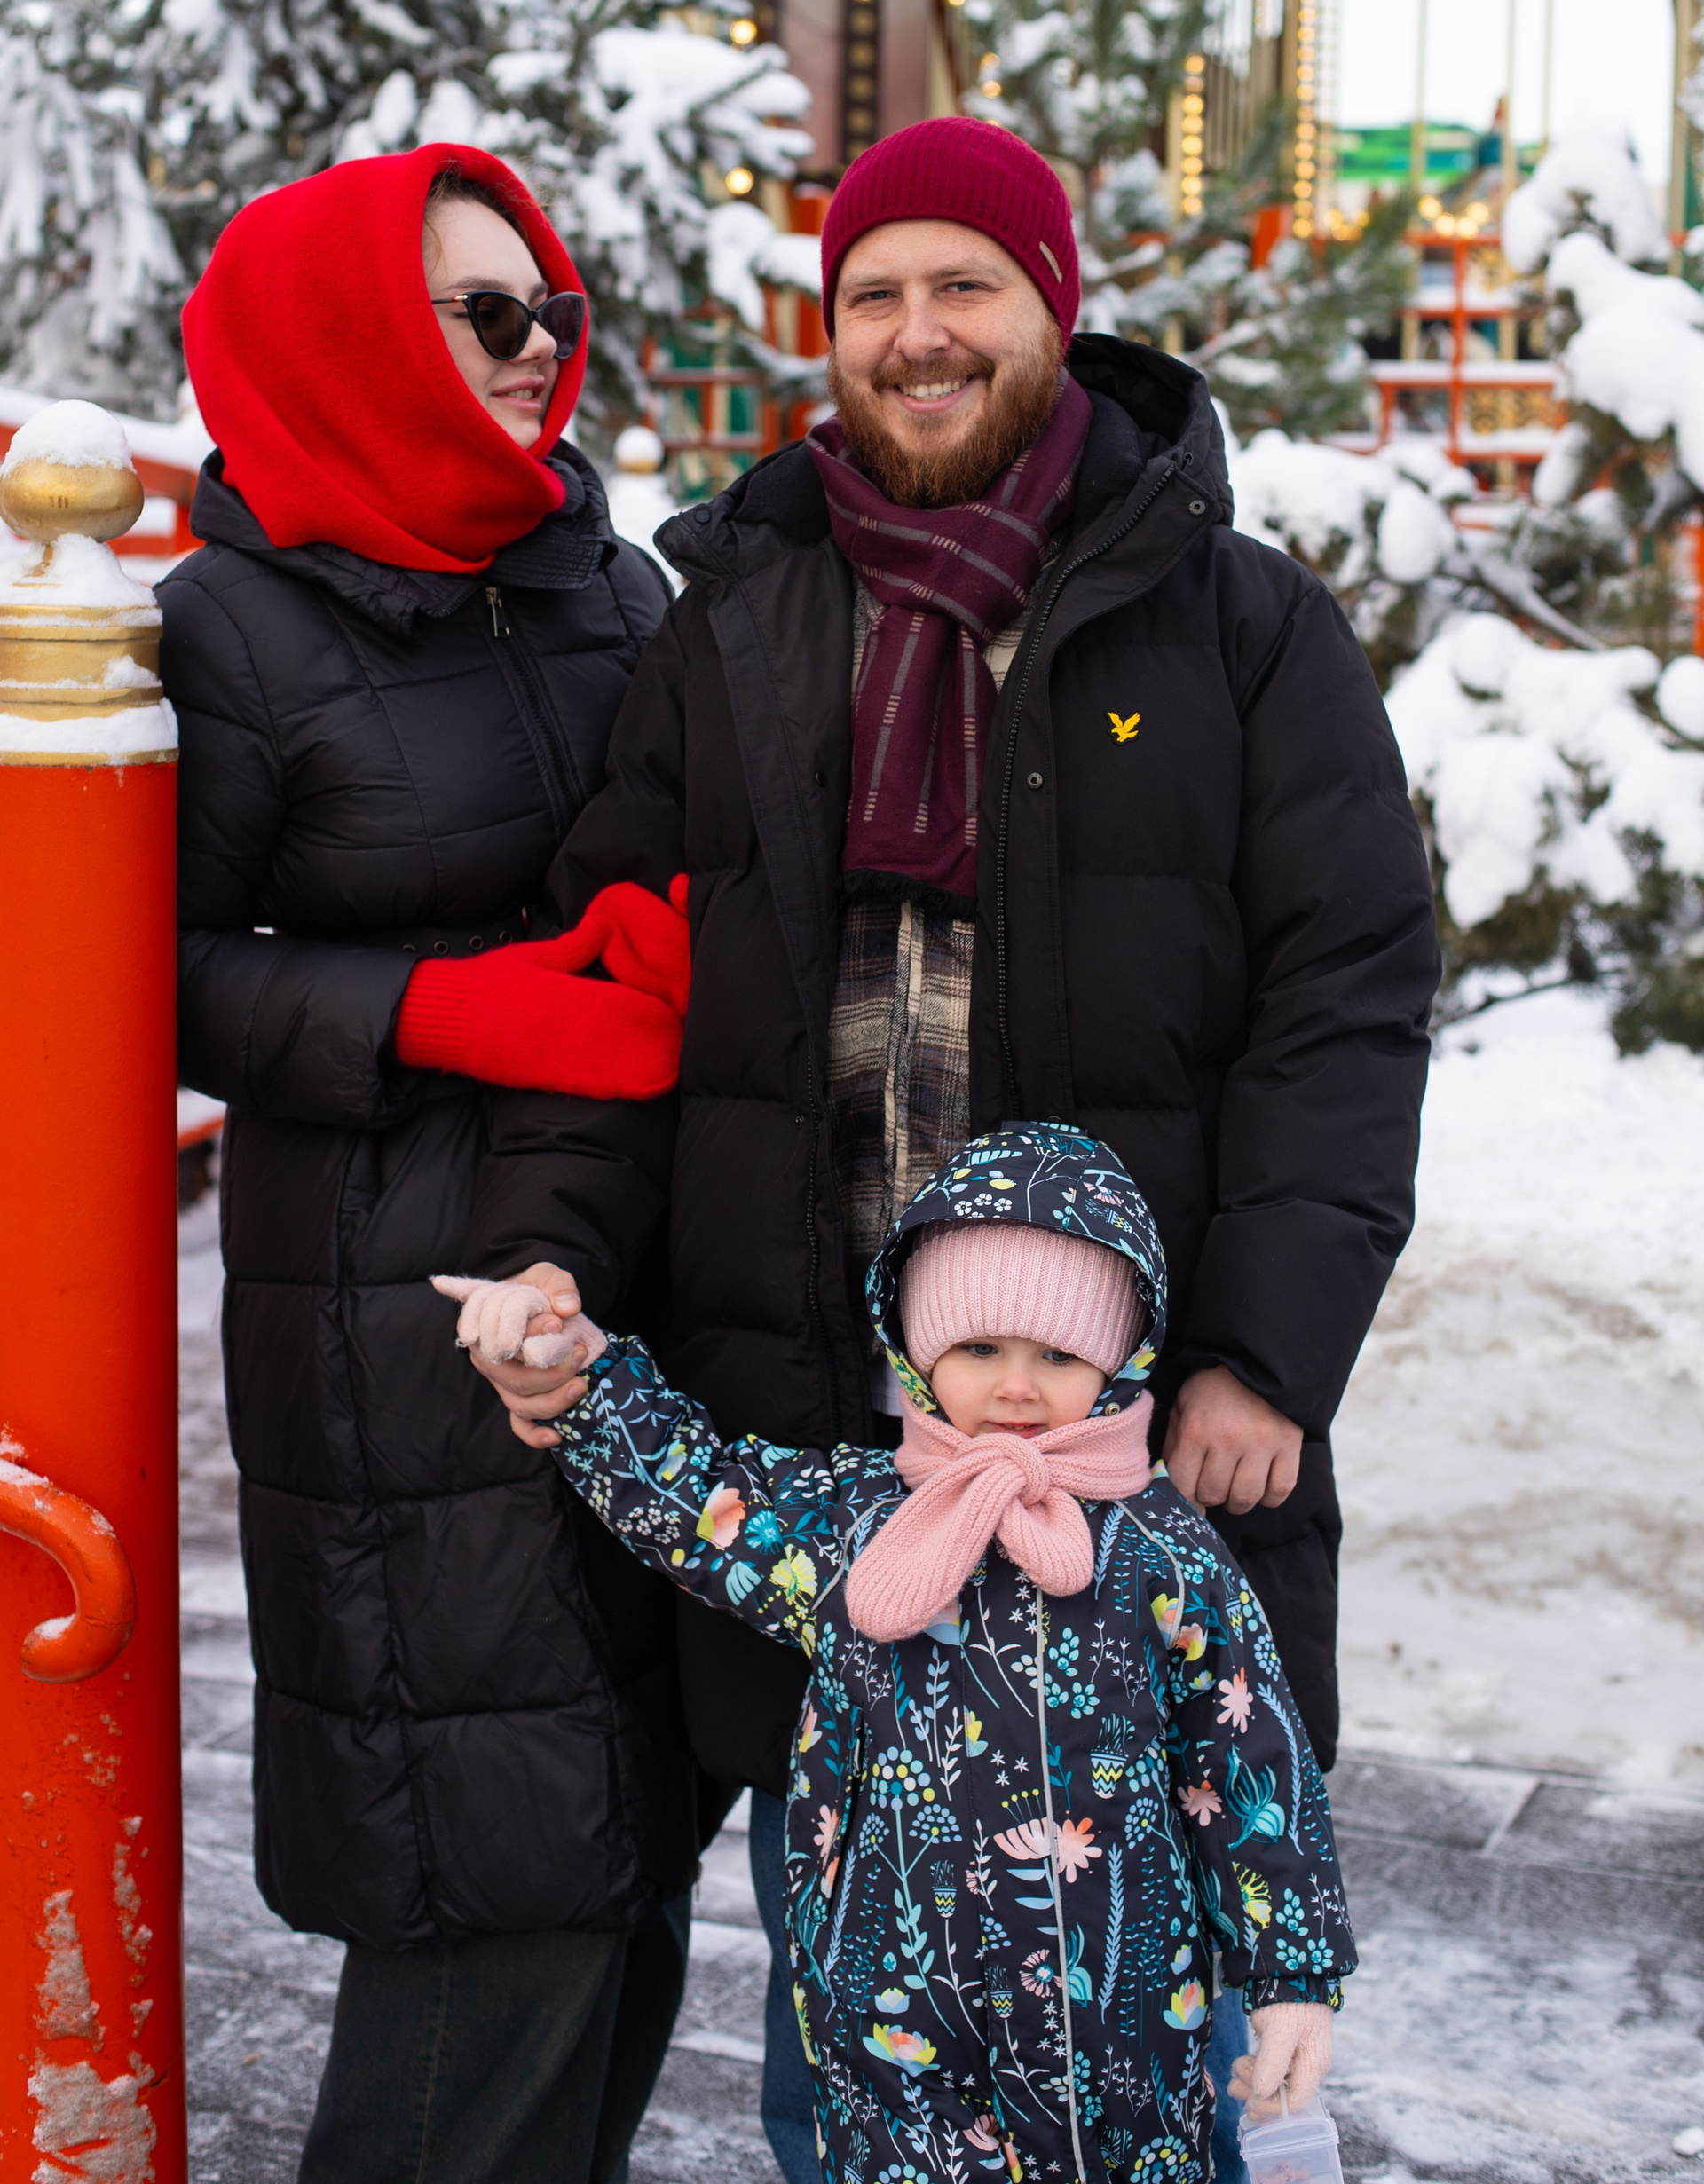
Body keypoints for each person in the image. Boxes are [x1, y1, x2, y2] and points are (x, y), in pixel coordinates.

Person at [454, 114, 1439, 2182]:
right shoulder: (733, 622)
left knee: (1144, 2034)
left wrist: (1264, 1352)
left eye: (963, 284)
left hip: (1119, 1439)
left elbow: (1342, 1004)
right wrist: (552, 1250)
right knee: (851, 2024)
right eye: (872, 293)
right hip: (827, 1440)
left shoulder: (1238, 626)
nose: (916, 331)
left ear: (1051, 310)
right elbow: (616, 976)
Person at [160, 143, 703, 2184]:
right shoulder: (234, 626)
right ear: (354, 337)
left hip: (629, 1258)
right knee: (496, 1868)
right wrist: (437, 1009)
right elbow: (142, 977)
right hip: (393, 1312)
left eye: (550, 307)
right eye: (486, 313)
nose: (538, 349)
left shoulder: (600, 572)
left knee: (635, 1842)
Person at [441, 1124, 1357, 2182]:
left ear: (1118, 1360)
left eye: (1058, 1356)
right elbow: (702, 1503)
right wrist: (585, 1371)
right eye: (980, 1350)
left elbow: (1249, 1763)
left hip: (1124, 2021)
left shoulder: (1159, 1547)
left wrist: (1293, 1978)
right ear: (919, 1352)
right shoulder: (856, 1517)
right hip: (895, 2010)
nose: (1017, 1388)